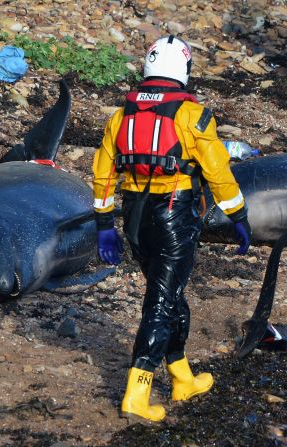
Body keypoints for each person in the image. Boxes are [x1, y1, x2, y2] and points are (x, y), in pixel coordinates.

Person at [92, 35, 252, 422]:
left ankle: (181, 377)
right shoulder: (192, 116)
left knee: (171, 295)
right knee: (162, 303)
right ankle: (137, 392)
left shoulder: (121, 116)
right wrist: (239, 216)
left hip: (134, 218)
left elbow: (102, 173)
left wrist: (103, 225)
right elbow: (217, 172)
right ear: (184, 70)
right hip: (173, 216)